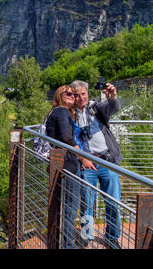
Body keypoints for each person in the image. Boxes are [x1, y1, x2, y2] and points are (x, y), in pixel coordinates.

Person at [70, 80, 122, 249]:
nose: (81, 98)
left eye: (83, 94)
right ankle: (86, 235)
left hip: (106, 161)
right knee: (86, 202)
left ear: (87, 93)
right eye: (77, 95)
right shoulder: (70, 113)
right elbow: (67, 137)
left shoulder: (96, 107)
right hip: (87, 163)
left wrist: (112, 96)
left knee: (113, 201)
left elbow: (112, 107)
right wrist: (81, 158)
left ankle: (112, 237)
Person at [45, 85, 95, 249]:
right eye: (68, 93)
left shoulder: (56, 112)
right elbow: (67, 138)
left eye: (74, 94)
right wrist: (83, 158)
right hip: (67, 164)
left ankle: (62, 241)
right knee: (71, 205)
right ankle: (67, 244)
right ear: (59, 95)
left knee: (65, 204)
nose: (72, 96)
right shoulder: (61, 111)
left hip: (60, 163)